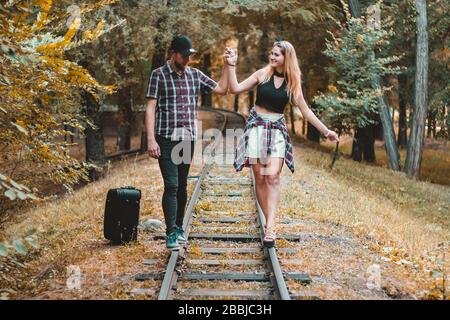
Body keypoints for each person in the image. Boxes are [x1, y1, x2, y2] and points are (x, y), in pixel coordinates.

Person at [226, 40, 339, 247]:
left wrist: (326, 131)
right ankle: (270, 221)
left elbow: (305, 111)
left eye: (276, 54)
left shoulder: (292, 83)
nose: (272, 57)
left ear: (286, 58)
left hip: (277, 130)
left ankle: (270, 226)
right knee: (260, 177)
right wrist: (231, 65)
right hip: (257, 128)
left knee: (274, 176)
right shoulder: (262, 74)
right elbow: (235, 88)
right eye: (272, 53)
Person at [145, 35, 230, 250]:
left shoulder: (194, 75)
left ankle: (180, 227)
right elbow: (150, 108)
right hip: (165, 139)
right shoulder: (158, 76)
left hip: (187, 140)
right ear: (173, 54)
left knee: (182, 185)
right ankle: (170, 232)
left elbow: (221, 89)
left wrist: (228, 66)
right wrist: (150, 139)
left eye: (189, 56)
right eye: (184, 56)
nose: (187, 60)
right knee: (171, 185)